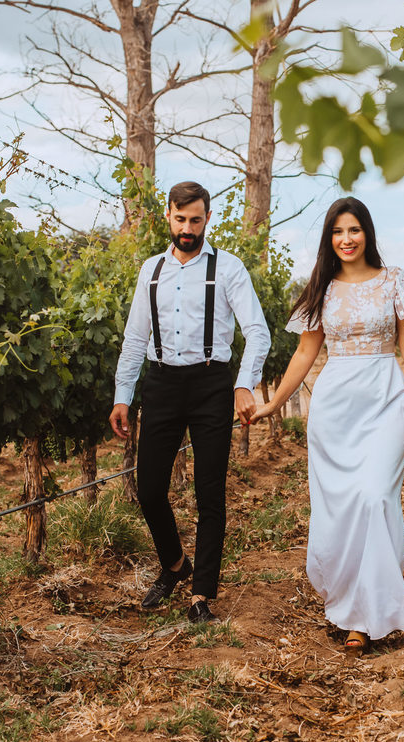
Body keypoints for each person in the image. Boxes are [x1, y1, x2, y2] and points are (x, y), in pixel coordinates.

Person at [250, 196, 404, 655]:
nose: (346, 239)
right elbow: (306, 353)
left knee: (375, 497)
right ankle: (355, 614)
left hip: (385, 399)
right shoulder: (323, 288)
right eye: (337, 232)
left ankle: (376, 611)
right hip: (334, 407)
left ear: (367, 232)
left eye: (353, 230)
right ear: (329, 239)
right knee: (343, 508)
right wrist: (273, 405)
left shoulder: (396, 282)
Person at [110, 181, 270, 623]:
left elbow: (257, 331)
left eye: (195, 220)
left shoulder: (230, 268)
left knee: (209, 493)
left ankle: (201, 595)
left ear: (207, 218)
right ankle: (176, 565)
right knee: (148, 490)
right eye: (180, 219)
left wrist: (244, 384)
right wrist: (124, 395)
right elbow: (134, 337)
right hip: (161, 384)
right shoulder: (151, 270)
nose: (187, 228)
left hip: (211, 385)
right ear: (168, 216)